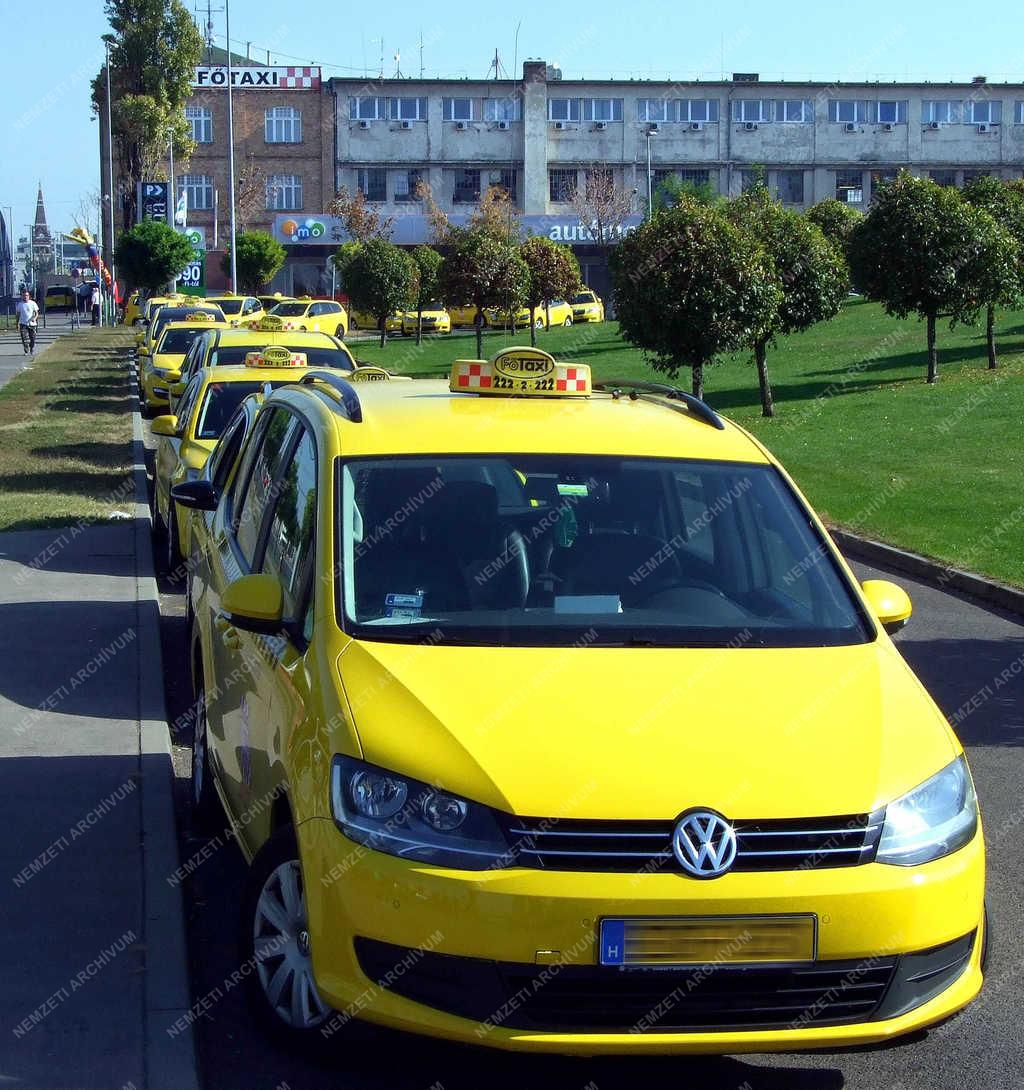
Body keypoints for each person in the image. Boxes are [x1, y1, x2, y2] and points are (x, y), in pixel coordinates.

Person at [16, 289, 39, 356]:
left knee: (33, 338)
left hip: (32, 324)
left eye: (26, 295)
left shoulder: (33, 303)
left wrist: (34, 318)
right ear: (22, 296)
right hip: (23, 324)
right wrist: (17, 323)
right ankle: (26, 350)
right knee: (24, 338)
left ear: (29, 296)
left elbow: (37, 313)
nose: (25, 297)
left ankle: (31, 347)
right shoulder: (20, 304)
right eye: (24, 295)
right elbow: (18, 315)